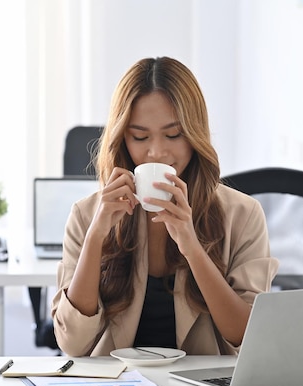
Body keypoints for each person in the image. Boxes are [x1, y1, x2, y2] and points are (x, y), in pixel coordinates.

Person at [51, 57, 279, 357]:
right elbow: (72, 345)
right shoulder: (87, 215)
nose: (156, 152)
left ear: (196, 134)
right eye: (140, 136)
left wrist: (191, 246)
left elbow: (247, 337)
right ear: (121, 138)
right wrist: (96, 237)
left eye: (174, 135)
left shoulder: (242, 215)